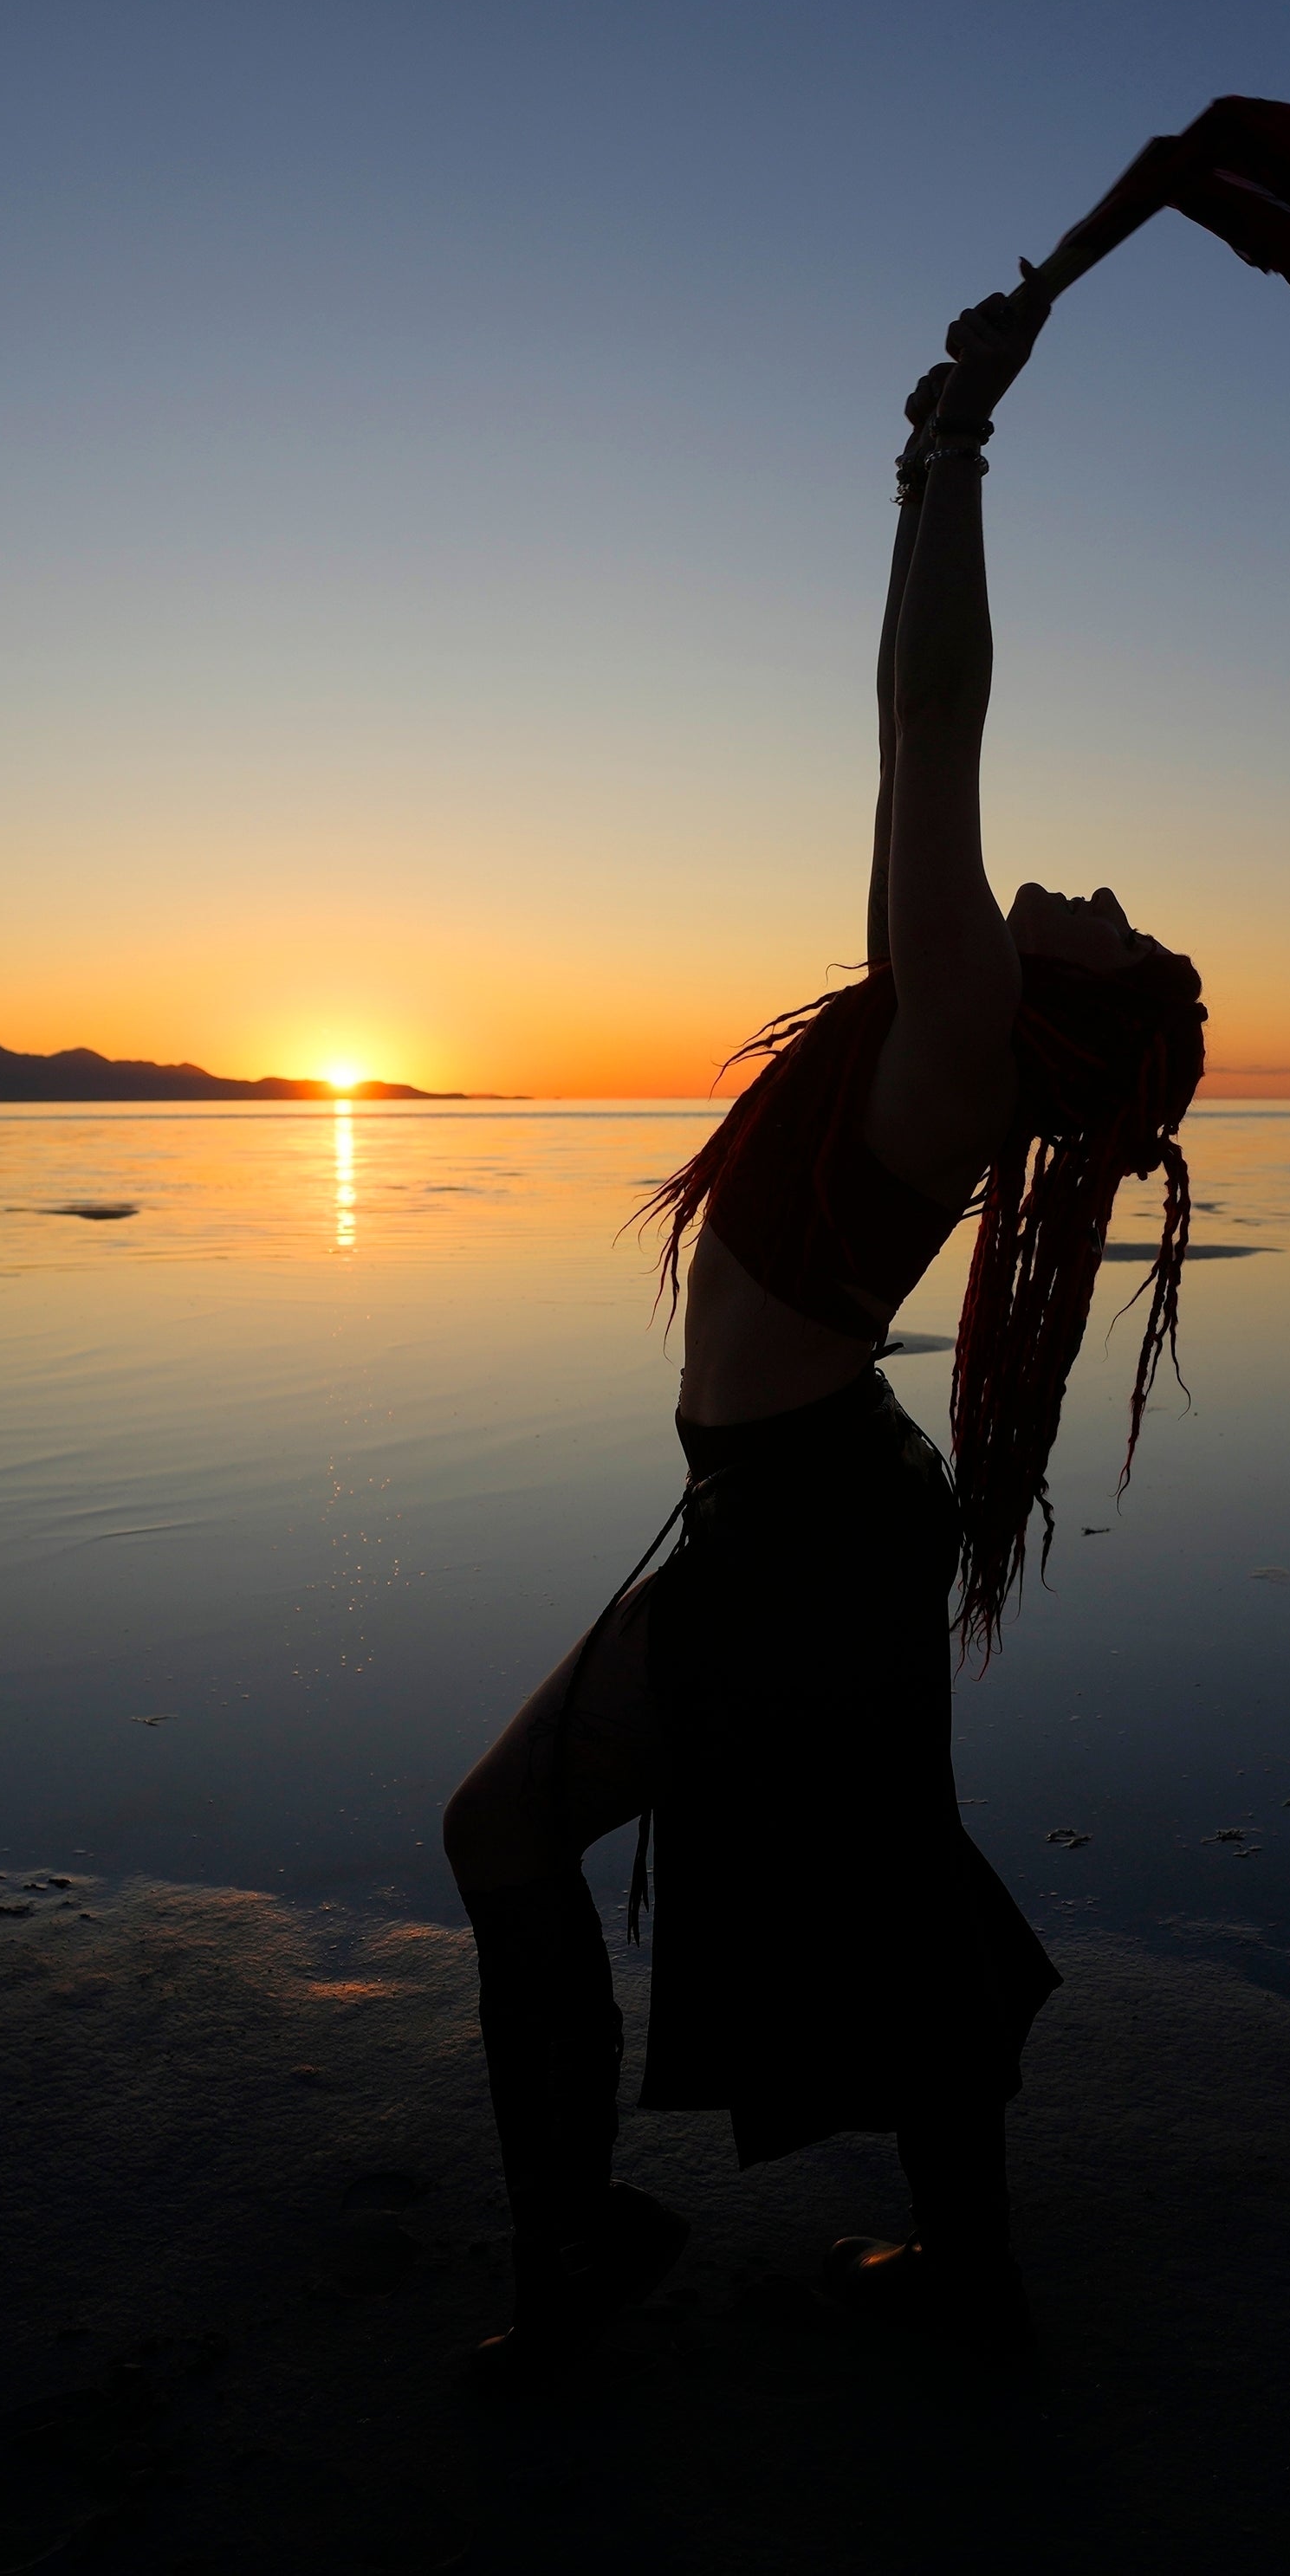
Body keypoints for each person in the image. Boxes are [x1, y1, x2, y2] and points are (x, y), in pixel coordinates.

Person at [438, 289, 1209, 2378]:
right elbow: (909, 752)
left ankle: (578, 2257)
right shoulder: (939, 1036)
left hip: (798, 1537)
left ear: (1080, 1017)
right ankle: (970, 2276)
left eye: (1127, 931)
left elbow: (924, 727)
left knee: (501, 1835)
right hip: (806, 1519)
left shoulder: (962, 1036)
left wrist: (948, 461)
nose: (1104, 890)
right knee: (878, 1892)